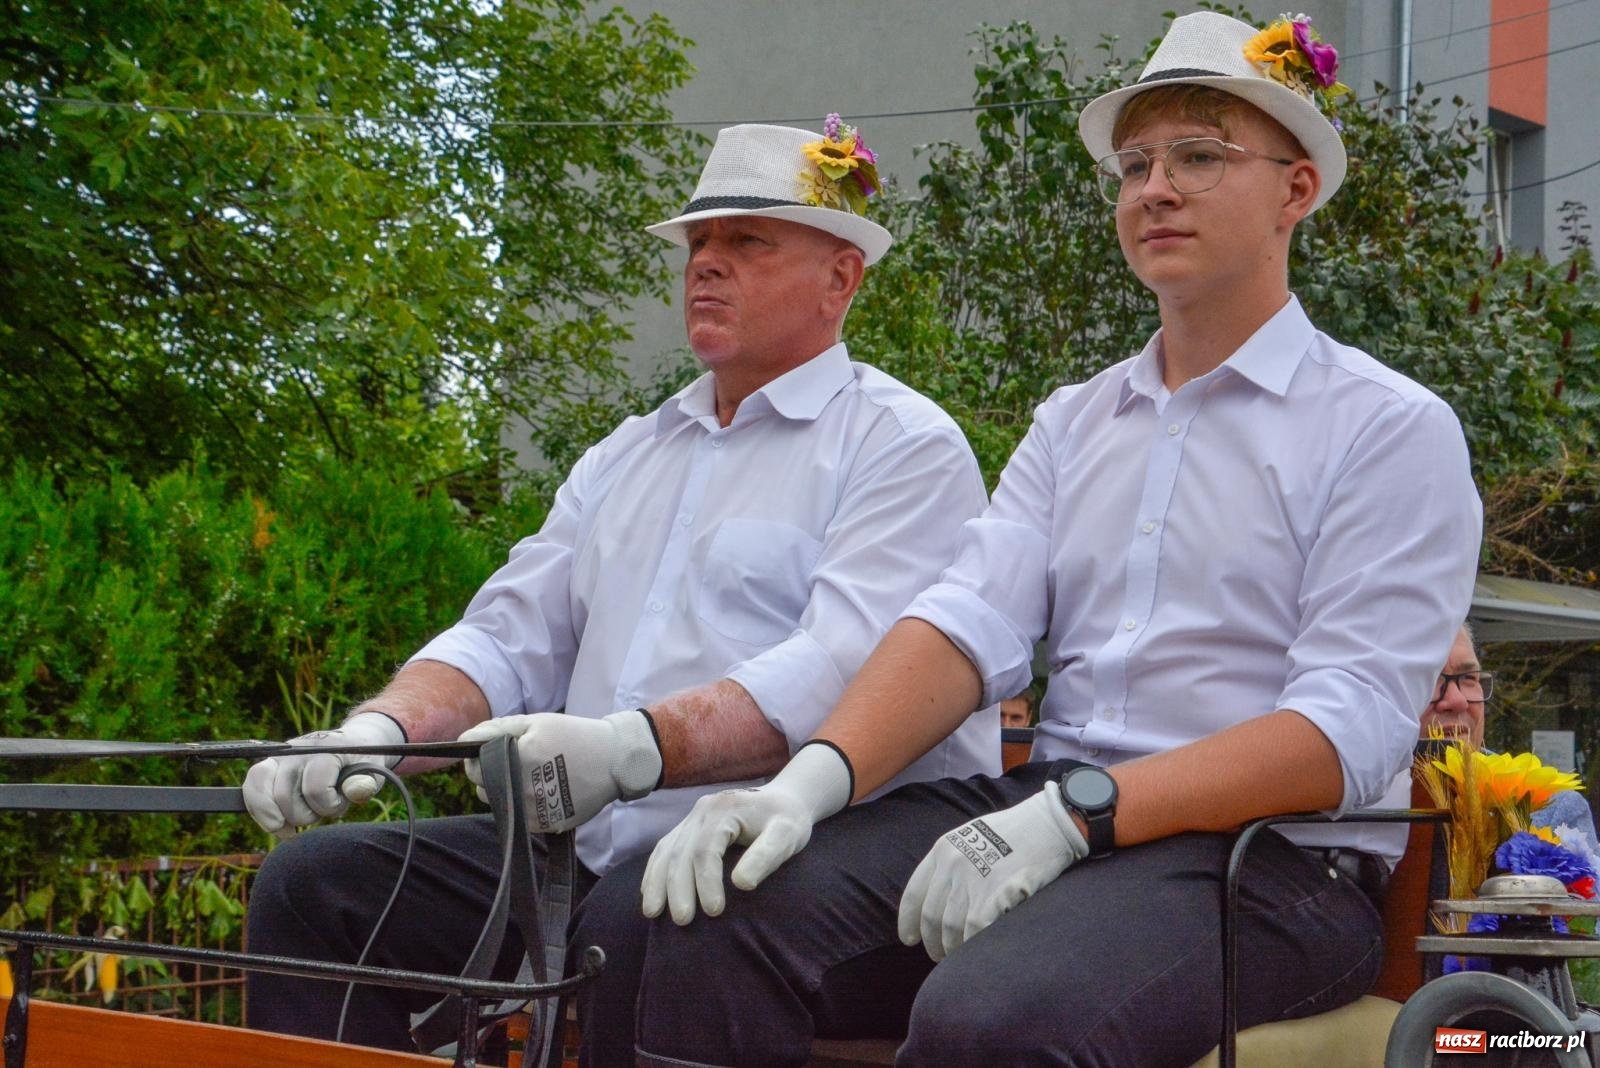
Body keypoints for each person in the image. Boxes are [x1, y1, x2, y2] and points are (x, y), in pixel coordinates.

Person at [572, 12, 1485, 1067]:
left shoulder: (1386, 426)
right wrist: (803, 784)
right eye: (1135, 164)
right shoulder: (1075, 419)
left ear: (1297, 190)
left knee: (995, 1022)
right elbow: (965, 622)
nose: (1154, 188)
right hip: (1057, 810)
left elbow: (1348, 729)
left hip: (1272, 865)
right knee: (660, 924)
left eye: (1199, 156)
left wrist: (1084, 814)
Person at [237, 120, 999, 1059]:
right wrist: (378, 736)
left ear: (841, 277)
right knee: (315, 888)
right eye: (698, 243)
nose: (706, 265)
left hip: (803, 856)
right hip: (592, 856)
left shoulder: (901, 446)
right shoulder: (627, 453)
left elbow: (842, 668)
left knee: (654, 923)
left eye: (748, 242)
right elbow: (512, 635)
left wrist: (629, 748)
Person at [1422, 623, 1596, 844]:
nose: (1458, 700)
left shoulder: (1551, 810)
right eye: (1429, 678)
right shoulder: (1365, 799)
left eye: (1469, 678)